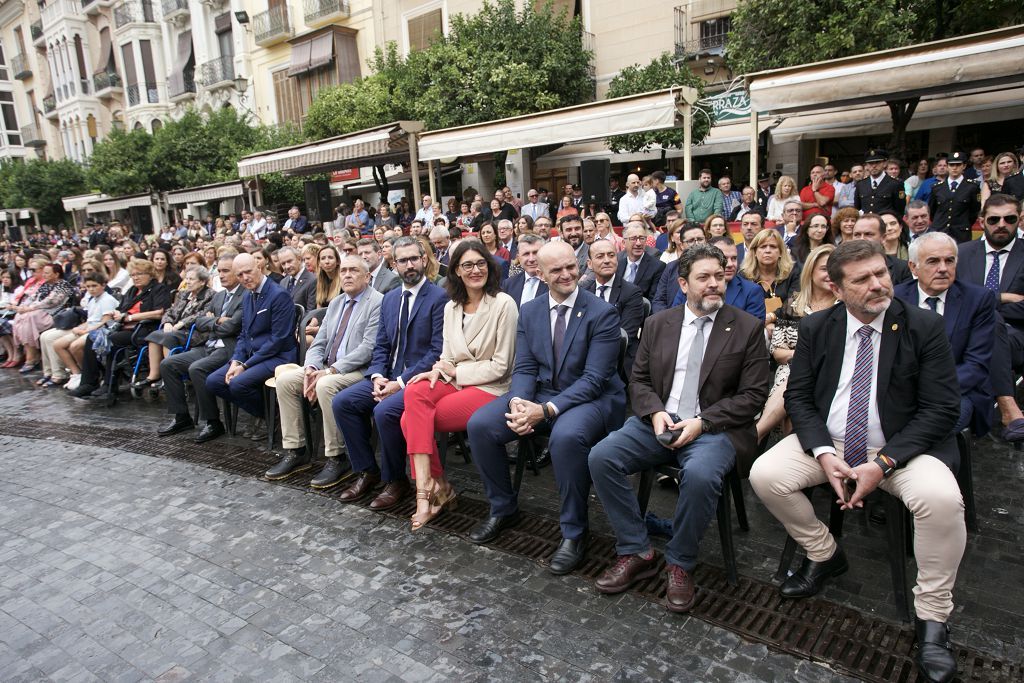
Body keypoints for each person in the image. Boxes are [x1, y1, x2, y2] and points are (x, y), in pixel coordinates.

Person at [749, 240, 964, 683]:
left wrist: (883, 462)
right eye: (863, 279)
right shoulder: (818, 327)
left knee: (941, 499)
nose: (878, 285)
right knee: (765, 474)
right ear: (836, 285)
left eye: (882, 273)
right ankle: (824, 553)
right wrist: (823, 453)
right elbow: (799, 397)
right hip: (831, 441)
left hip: (901, 450)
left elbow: (942, 409)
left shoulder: (923, 326)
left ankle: (933, 618)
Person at [588, 243, 770, 610]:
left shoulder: (746, 327)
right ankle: (637, 550)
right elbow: (637, 381)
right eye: (704, 278)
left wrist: (703, 422)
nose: (714, 284)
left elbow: (753, 396)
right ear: (684, 284)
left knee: (701, 476)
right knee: (601, 456)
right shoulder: (658, 323)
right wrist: (655, 413)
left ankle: (680, 562)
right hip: (661, 421)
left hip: (715, 428)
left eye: (719, 277)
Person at [466, 241, 626, 574]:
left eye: (572, 266)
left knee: (565, 438)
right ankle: (503, 507)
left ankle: (574, 532)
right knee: (481, 425)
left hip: (591, 399)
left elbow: (595, 379)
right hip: (541, 393)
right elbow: (524, 367)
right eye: (557, 269)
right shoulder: (531, 310)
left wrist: (546, 410)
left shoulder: (602, 313)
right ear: (539, 273)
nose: (568, 274)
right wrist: (518, 403)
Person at [401, 241, 518, 529]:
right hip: (455, 379)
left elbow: (502, 366)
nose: (475, 270)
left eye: (480, 263)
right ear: (455, 270)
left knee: (411, 420)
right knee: (414, 393)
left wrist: (455, 371)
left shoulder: (504, 304)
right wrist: (439, 369)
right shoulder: (451, 307)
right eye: (467, 265)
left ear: (490, 268)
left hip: (492, 386)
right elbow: (447, 355)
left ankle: (431, 491)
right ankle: (433, 486)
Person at [332, 237, 448, 510]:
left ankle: (396, 480)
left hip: (420, 379)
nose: (409, 265)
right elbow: (381, 344)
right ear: (393, 264)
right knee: (343, 402)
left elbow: (437, 351)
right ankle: (367, 470)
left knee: (385, 412)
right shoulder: (390, 299)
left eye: (414, 258)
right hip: (389, 376)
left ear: (424, 259)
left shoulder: (440, 298)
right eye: (403, 260)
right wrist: (376, 376)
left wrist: (399, 382)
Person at [267, 256, 385, 486]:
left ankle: (337, 456)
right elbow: (319, 342)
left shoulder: (377, 302)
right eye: (344, 271)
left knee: (325, 385)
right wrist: (311, 367)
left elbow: (368, 349)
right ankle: (296, 450)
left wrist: (330, 371)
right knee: (286, 380)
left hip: (358, 370)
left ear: (367, 276)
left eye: (354, 271)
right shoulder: (337, 303)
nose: (347, 275)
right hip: (326, 367)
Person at [896, 232, 995, 435]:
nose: (943, 268)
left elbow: (976, 364)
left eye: (949, 261)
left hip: (957, 391)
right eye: (933, 261)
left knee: (937, 425)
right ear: (913, 267)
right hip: (903, 391)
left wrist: (930, 391)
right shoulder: (895, 299)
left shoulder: (978, 299)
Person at [956, 193, 1024, 441]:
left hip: (1014, 335)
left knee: (990, 320)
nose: (1002, 224)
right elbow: (952, 297)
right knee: (988, 317)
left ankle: (1008, 409)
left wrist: (982, 305)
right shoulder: (960, 253)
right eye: (994, 219)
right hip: (962, 334)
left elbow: (966, 300)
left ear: (1020, 219)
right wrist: (1002, 297)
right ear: (982, 220)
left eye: (1009, 218)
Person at [205, 253, 297, 433]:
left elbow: (278, 340)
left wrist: (245, 366)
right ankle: (265, 414)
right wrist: (236, 361)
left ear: (259, 267)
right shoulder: (248, 296)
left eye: (248, 272)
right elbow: (244, 334)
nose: (245, 278)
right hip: (253, 356)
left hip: (278, 356)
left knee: (238, 383)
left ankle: (271, 415)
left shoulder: (278, 295)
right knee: (213, 381)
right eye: (239, 275)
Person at [157, 256, 244, 439]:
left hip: (229, 348)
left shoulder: (246, 295)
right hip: (208, 344)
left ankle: (213, 422)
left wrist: (211, 321)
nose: (221, 275)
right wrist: (217, 320)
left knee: (197, 368)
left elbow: (233, 326)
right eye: (219, 271)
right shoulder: (219, 296)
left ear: (238, 272)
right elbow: (199, 321)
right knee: (168, 364)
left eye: (226, 271)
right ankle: (182, 417)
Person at [756, 244, 836, 441]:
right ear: (810, 271)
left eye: (835, 268)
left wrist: (802, 356)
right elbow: (777, 352)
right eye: (825, 269)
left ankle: (756, 434)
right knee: (793, 383)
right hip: (789, 368)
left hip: (830, 372)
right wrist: (804, 355)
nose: (831, 274)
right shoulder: (793, 304)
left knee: (796, 382)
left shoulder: (843, 306)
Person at [68, 259, 172, 398]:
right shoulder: (132, 290)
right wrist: (117, 313)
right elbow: (121, 308)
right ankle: (89, 382)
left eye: (139, 274)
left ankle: (110, 385)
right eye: (133, 275)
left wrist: (130, 317)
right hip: (123, 326)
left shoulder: (159, 289)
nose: (135, 277)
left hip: (145, 328)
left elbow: (159, 312)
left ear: (149, 274)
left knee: (113, 340)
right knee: (92, 338)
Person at [133, 266, 214, 390]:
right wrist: (167, 322)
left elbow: (203, 314)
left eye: (191, 279)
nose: (187, 282)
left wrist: (182, 323)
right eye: (186, 278)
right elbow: (170, 310)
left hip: (194, 331)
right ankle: (153, 375)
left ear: (202, 281)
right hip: (175, 329)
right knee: (155, 336)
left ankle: (169, 375)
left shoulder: (211, 295)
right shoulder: (183, 293)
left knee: (167, 337)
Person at [582, 238, 645, 374]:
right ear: (590, 264)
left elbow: (625, 334)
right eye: (600, 256)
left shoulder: (631, 292)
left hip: (619, 362)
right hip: (585, 359)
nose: (607, 260)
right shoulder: (584, 291)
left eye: (611, 255)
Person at [10, 262, 76, 375]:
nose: (44, 275)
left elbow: (51, 302)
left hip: (55, 313)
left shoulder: (63, 285)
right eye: (44, 273)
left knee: (30, 317)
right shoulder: (45, 284)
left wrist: (30, 308)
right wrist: (22, 307)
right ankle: (30, 354)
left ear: (56, 274)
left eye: (47, 273)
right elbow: (33, 297)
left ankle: (32, 357)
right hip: (39, 311)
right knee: (20, 316)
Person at [741, 228, 801, 321]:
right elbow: (740, 307)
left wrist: (772, 318)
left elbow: (794, 306)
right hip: (752, 326)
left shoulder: (793, 273)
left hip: (785, 327)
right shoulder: (743, 275)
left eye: (773, 246)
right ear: (755, 252)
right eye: (763, 246)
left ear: (781, 252)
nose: (768, 250)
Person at [929, 151, 981, 243]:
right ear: (948, 166)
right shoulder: (937, 187)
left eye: (958, 165)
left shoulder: (972, 187)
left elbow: (974, 211)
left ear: (964, 166)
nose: (954, 168)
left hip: (961, 233)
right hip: (940, 231)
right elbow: (932, 210)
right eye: (951, 165)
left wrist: (963, 224)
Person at [850, 214, 913, 285]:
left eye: (868, 234)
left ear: (883, 238)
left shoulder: (902, 268)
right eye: (857, 235)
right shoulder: (843, 267)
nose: (861, 239)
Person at [617, 222, 665, 301]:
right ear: (623, 243)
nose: (638, 243)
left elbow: (655, 300)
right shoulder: (618, 265)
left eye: (642, 238)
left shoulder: (657, 267)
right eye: (633, 239)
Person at [856, 148, 906, 216]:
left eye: (877, 162)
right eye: (870, 163)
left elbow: (900, 209)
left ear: (885, 163)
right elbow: (857, 208)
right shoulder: (860, 184)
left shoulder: (896, 184)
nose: (874, 166)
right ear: (866, 166)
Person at [502, 234, 547, 308]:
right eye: (526, 254)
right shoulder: (509, 284)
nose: (531, 259)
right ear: (518, 257)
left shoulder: (554, 281)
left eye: (536, 253)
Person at [276, 246, 316, 312]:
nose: (287, 266)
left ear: (299, 259)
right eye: (283, 264)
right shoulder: (283, 282)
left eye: (289, 261)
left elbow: (310, 312)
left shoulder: (312, 280)